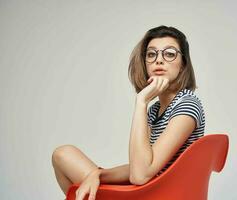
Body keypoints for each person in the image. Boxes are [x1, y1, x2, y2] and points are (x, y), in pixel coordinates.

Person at [51, 25, 205, 200]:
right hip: (147, 188)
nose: (159, 60)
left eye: (169, 54)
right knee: (63, 155)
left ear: (183, 64)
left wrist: (141, 102)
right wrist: (98, 174)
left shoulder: (187, 105)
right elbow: (139, 165)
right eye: (151, 54)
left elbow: (140, 175)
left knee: (67, 160)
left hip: (162, 194)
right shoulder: (155, 110)